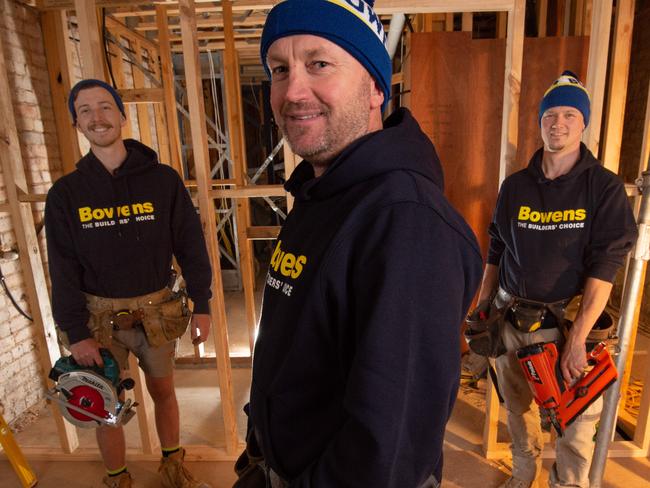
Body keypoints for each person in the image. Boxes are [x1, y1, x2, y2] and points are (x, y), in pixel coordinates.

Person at [236, 1, 483, 487]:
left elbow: (385, 458)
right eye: (280, 70)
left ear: (375, 86)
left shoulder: (406, 225)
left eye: (319, 64)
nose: (293, 91)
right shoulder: (322, 192)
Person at [45, 79, 213, 488]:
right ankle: (118, 478)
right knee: (106, 404)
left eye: (105, 107)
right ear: (76, 122)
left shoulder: (162, 181)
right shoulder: (66, 194)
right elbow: (62, 268)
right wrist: (77, 333)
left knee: (164, 392)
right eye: (84, 110)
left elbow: (190, 243)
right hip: (98, 322)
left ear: (121, 114)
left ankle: (172, 466)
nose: (96, 117)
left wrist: (202, 302)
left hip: (157, 313)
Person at [477, 71, 638, 488]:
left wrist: (580, 336)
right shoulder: (515, 187)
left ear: (584, 123)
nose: (558, 123)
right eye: (550, 114)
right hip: (511, 316)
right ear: (540, 121)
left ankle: (567, 485)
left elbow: (606, 266)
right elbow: (496, 248)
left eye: (569, 114)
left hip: (565, 325)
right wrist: (483, 303)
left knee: (576, 424)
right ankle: (523, 472)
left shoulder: (602, 189)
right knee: (517, 408)